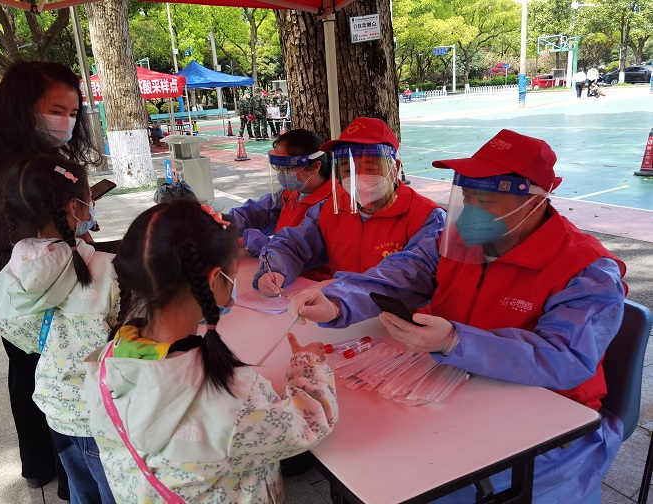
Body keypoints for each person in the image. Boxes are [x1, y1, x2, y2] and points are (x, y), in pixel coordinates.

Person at [290, 129, 627, 504]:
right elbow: (404, 272)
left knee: (420, 485)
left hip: (549, 420)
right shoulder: (458, 239)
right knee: (372, 461)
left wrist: (456, 341)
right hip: (454, 386)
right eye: (466, 196)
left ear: (534, 201)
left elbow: (566, 358)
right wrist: (338, 301)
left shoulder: (587, 271)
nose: (470, 210)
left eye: (485, 199)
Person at [82, 199, 338, 503]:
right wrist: (308, 364)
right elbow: (310, 422)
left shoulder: (107, 358)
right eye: (232, 274)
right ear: (214, 280)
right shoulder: (232, 396)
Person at [0, 60, 101, 496]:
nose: (66, 122)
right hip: (34, 288)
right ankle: (72, 475)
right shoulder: (33, 169)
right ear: (23, 106)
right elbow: (53, 237)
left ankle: (36, 465)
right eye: (55, 110)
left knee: (25, 371)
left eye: (73, 113)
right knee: (58, 377)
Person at [0, 155, 118, 504]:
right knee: (113, 492)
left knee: (81, 490)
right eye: (89, 200)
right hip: (98, 411)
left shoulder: (16, 269)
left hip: (56, 404)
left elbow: (14, 329)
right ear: (75, 207)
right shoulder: (107, 270)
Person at [254, 117, 444, 297]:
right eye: (347, 169)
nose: (357, 176)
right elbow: (294, 243)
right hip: (337, 312)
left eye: (370, 168)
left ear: (395, 168)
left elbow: (409, 276)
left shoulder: (426, 217)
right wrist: (274, 270)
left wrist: (342, 300)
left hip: (398, 317)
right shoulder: (330, 208)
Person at [228, 129, 333, 261]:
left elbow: (290, 247)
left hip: (308, 273)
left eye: (288, 168)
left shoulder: (332, 204)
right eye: (278, 168)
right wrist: (223, 224)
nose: (282, 173)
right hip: (280, 268)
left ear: (315, 167)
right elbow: (255, 213)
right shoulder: (290, 194)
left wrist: (245, 241)